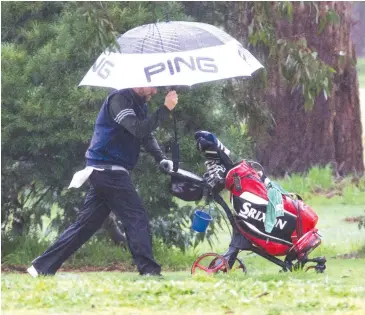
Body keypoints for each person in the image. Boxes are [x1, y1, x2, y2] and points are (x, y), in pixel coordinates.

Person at [27, 87, 178, 277]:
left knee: (85, 226)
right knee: (136, 218)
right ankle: (149, 272)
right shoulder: (118, 99)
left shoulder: (139, 104)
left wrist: (161, 158)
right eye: (152, 85)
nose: (155, 90)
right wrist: (165, 109)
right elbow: (138, 129)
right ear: (138, 82)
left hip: (107, 171)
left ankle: (40, 267)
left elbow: (146, 135)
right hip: (108, 171)